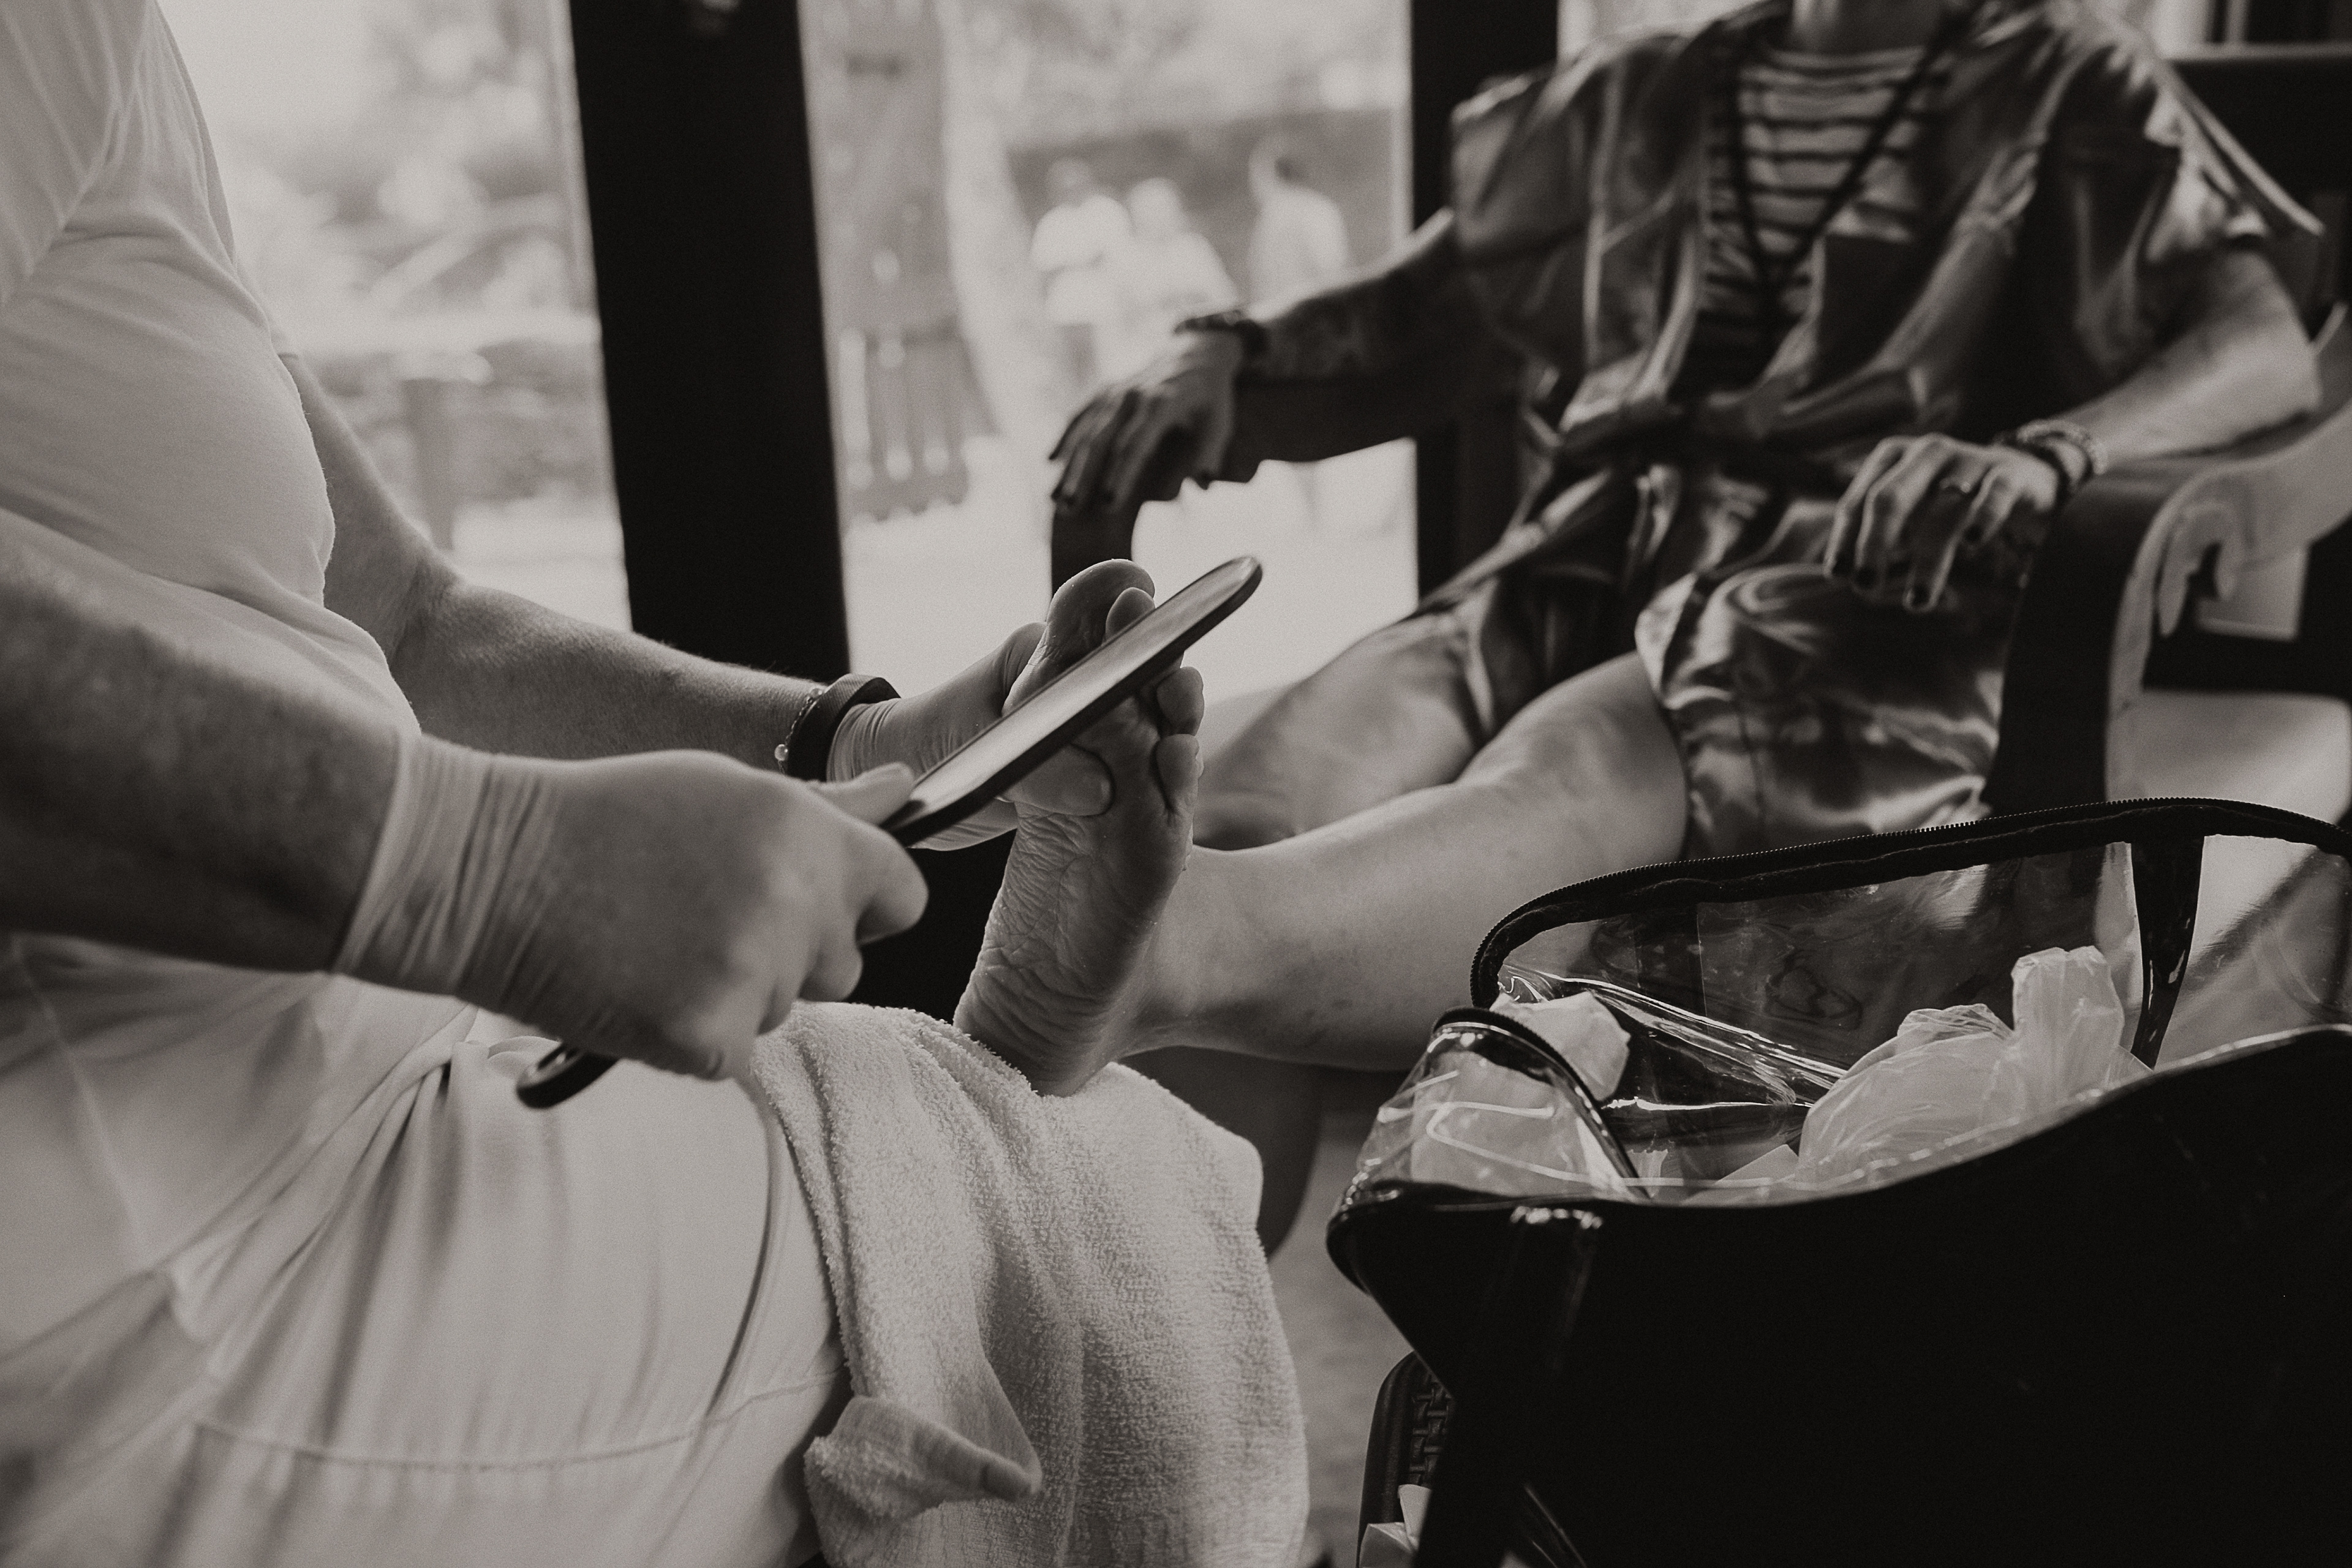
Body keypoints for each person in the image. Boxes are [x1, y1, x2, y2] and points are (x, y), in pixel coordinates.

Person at [0, 1, 1205, 1559]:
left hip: (325, 1073)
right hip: (159, 1284)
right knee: (1128, 1196)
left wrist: (870, 747)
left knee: (997, 1164)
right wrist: (489, 875)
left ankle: (991, 1098)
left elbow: (407, 618)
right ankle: (1008, 1095)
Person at [1049, 0, 2326, 1246]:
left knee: (1559, 769)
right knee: (1251, 809)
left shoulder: (2067, 74)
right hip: (1572, 558)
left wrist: (2054, 453)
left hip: (1843, 605)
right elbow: (1425, 312)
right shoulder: (1640, 91)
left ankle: (1174, 949)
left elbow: (2265, 345)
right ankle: (1163, 1317)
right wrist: (1223, 349)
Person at [1245, 143, 1352, 529]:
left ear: (1270, 173)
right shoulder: (1315, 210)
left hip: (1300, 330)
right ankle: (1316, 510)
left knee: (1303, 416)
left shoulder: (1290, 214)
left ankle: (1318, 510)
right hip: (1302, 329)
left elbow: (1327, 268)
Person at [1102, 178, 1237, 383]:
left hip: (1201, 354)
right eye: (1152, 210)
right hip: (1148, 360)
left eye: (1167, 209)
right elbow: (1116, 323)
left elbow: (1225, 298)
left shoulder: (1195, 249)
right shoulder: (1123, 259)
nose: (1161, 217)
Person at [1030, 157, 1133, 393]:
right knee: (1080, 369)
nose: (1072, 192)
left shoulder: (1107, 211)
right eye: (1066, 188)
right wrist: (1079, 260)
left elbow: (1120, 253)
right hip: (1069, 307)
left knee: (1114, 362)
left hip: (1108, 300)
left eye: (1077, 185)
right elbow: (1043, 265)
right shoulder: (1053, 221)